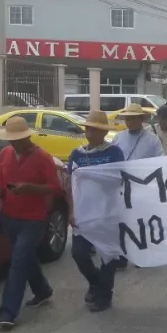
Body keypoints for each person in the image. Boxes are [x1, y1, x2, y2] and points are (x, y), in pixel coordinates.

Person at [0, 116, 63, 330]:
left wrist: (30, 188)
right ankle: (42, 290)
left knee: (18, 261)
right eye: (9, 140)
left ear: (26, 137)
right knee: (26, 257)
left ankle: (8, 311)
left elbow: (54, 187)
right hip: (10, 215)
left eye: (15, 139)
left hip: (34, 219)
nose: (12, 143)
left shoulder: (43, 157)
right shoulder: (5, 154)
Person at [65, 111, 125, 312]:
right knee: (79, 253)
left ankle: (104, 296)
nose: (89, 132)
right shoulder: (77, 154)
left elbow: (118, 180)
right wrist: (71, 210)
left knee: (108, 256)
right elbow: (69, 184)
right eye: (87, 128)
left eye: (94, 129)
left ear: (102, 131)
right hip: (84, 214)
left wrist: (93, 177)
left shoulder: (114, 153)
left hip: (107, 213)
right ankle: (96, 282)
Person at [111, 103, 164, 270]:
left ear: (141, 119)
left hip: (143, 187)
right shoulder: (118, 138)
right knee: (122, 222)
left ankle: (142, 254)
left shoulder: (152, 139)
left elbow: (160, 161)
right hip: (121, 187)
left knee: (141, 222)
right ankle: (122, 255)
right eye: (127, 118)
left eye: (132, 118)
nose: (129, 121)